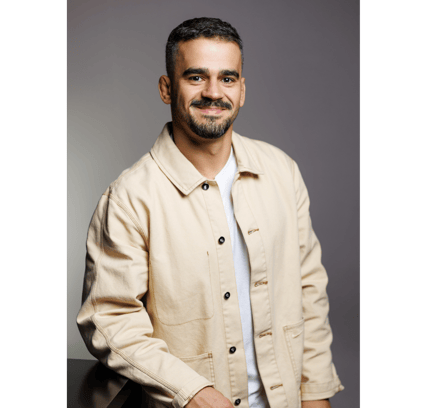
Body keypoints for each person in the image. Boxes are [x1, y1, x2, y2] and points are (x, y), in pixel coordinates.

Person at [77, 17, 344, 408]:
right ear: (167, 88)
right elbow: (109, 321)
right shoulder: (129, 198)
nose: (213, 92)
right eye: (196, 77)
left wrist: (315, 393)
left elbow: (309, 291)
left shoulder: (282, 172)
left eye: (227, 78)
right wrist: (192, 392)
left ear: (242, 90)